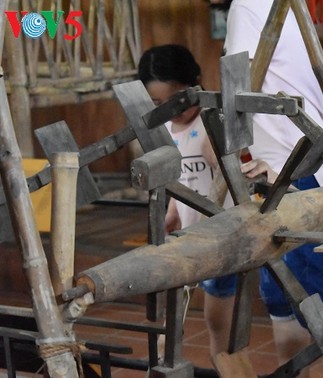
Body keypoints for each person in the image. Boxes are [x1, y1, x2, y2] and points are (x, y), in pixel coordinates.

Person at [224, 0, 323, 373]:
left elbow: (238, 84)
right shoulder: (286, 6)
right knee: (281, 293)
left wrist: (237, 158)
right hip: (299, 160)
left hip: (292, 165)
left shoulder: (247, 5)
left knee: (311, 297)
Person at [137, 44, 237, 360]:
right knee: (172, 320)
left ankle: (224, 363)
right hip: (186, 239)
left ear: (195, 81)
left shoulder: (210, 122)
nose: (172, 109)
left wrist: (219, 150)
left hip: (222, 239)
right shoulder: (166, 129)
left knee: (217, 320)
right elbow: (178, 184)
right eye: (158, 103)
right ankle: (168, 360)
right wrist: (170, 214)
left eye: (177, 98)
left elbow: (230, 178)